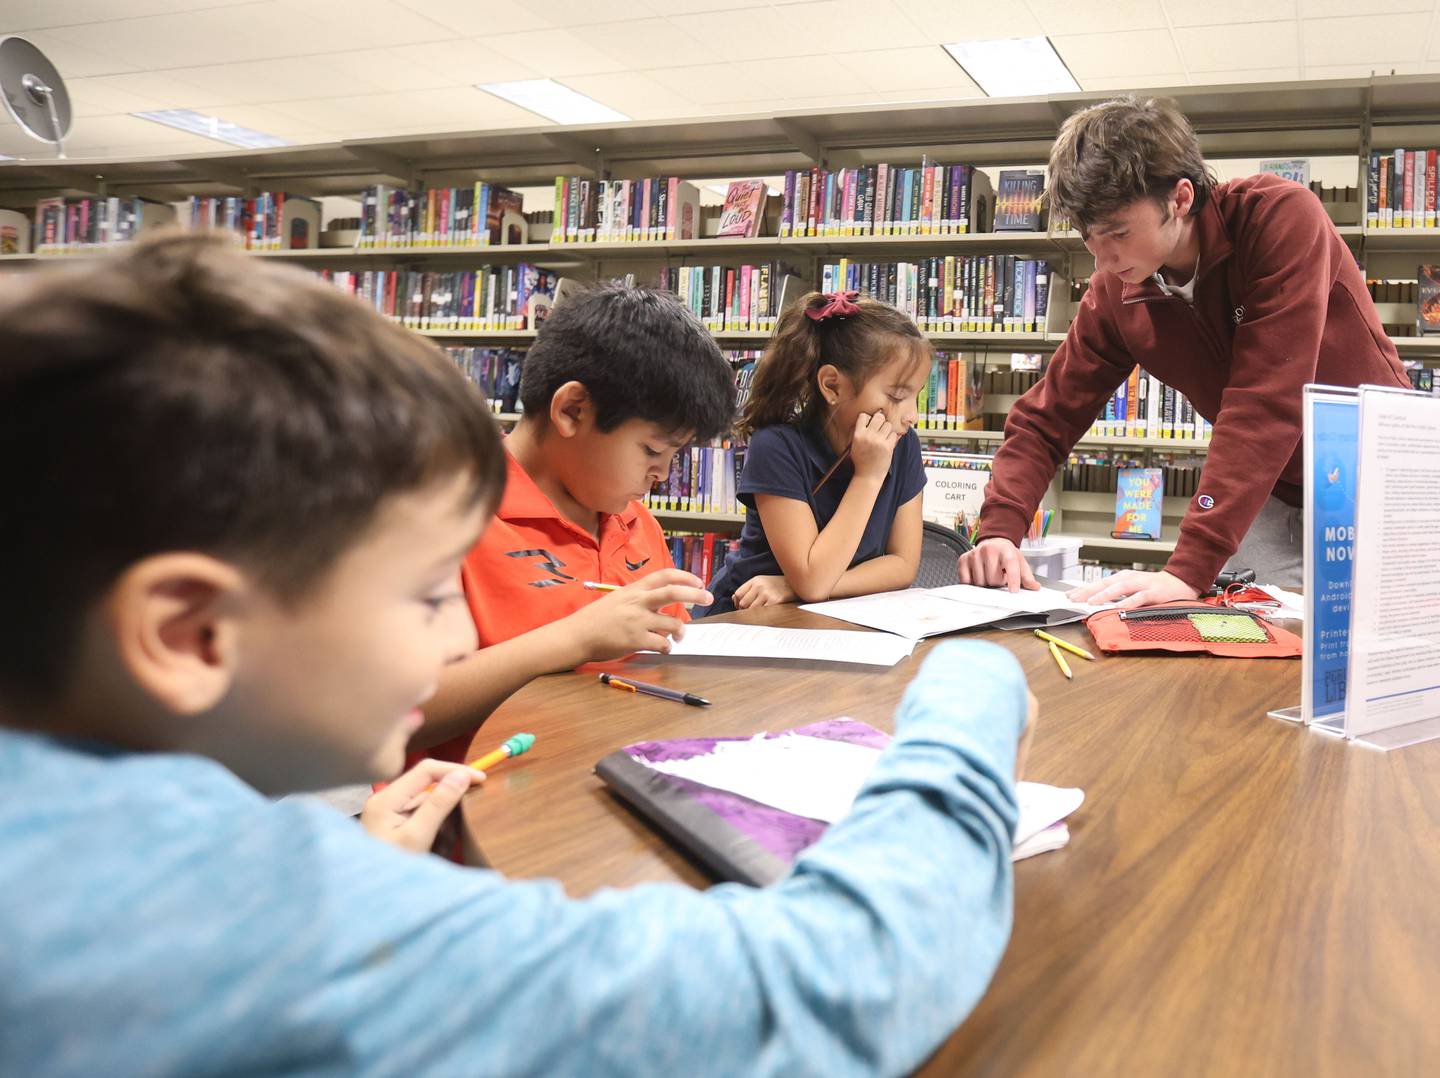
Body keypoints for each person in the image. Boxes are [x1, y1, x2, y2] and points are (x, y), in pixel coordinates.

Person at [0, 232, 1032, 1076]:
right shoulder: (269, 925)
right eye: (421, 595)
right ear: (188, 632)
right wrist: (973, 693)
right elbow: (844, 981)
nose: (459, 634)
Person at [957, 95, 1410, 605]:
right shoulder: (1115, 292)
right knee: (1248, 638)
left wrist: (1189, 567)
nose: (1102, 261)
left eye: (1118, 233)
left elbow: (1264, 402)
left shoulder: (1278, 218)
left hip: (1379, 478)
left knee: (1389, 637)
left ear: (1179, 198)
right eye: (1088, 238)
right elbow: (1048, 416)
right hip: (1273, 488)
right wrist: (1000, 529)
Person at [418, 283, 737, 762]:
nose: (663, 474)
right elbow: (390, 714)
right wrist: (574, 639)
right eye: (652, 449)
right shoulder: (439, 519)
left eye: (675, 454)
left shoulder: (634, 523)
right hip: (480, 794)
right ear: (572, 410)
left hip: (612, 769)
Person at [702, 291, 928, 614]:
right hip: (751, 617)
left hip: (832, 615)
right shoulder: (776, 446)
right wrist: (868, 476)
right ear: (832, 386)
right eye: (896, 396)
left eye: (916, 396)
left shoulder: (903, 444)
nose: (912, 416)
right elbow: (813, 580)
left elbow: (903, 565)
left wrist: (790, 587)